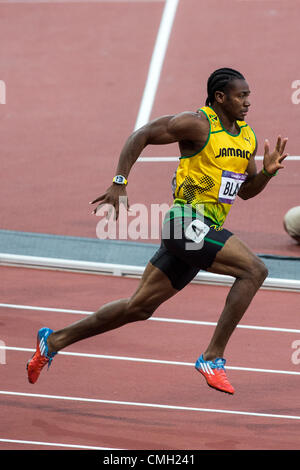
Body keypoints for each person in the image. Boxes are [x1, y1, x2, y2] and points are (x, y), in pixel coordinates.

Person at [27, 68, 288, 394]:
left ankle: (53, 340)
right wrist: (119, 182)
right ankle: (212, 357)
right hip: (185, 223)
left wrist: (266, 173)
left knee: (138, 307)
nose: (248, 102)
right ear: (221, 97)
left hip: (203, 232)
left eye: (249, 95)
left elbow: (247, 191)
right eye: (241, 95)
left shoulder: (246, 137)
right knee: (254, 270)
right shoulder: (197, 123)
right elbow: (141, 135)